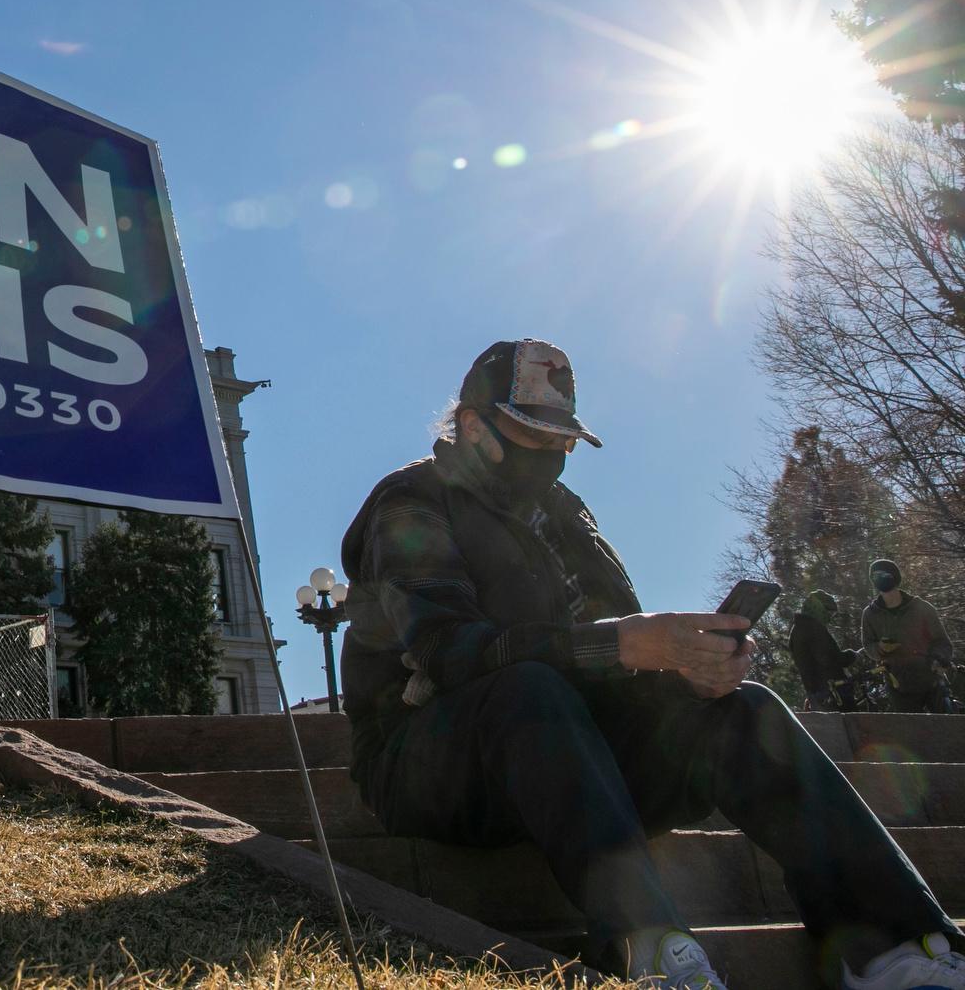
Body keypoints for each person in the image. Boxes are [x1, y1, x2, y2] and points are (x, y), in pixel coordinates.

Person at [339, 339, 964, 990]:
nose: (552, 455)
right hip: (429, 761)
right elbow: (449, 652)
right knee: (527, 687)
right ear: (472, 425)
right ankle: (650, 956)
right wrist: (618, 645)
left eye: (564, 440)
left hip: (571, 758)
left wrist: (688, 669)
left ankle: (900, 948)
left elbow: (623, 652)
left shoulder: (567, 516)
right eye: (532, 433)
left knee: (744, 712)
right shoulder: (411, 503)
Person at [862, 560, 956, 714]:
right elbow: (868, 644)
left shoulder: (922, 608)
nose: (880, 578)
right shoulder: (870, 614)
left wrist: (938, 659)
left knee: (946, 730)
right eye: (875, 575)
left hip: (931, 680)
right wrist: (879, 648)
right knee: (912, 734)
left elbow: (942, 642)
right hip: (899, 685)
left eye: (884, 574)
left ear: (895, 578)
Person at [790, 589, 861, 712]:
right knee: (851, 728)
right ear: (819, 608)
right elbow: (829, 658)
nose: (830, 617)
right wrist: (852, 656)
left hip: (817, 695)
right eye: (830, 612)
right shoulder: (813, 628)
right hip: (834, 692)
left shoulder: (796, 630)